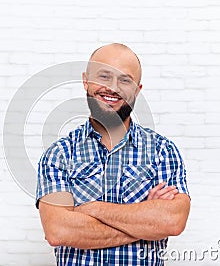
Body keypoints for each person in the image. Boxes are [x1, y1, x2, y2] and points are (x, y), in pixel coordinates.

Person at [36, 43, 190, 265]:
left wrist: (90, 209)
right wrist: (145, 222)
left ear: (137, 90)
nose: (113, 87)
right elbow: (58, 231)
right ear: (85, 81)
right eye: (104, 76)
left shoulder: (162, 152)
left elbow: (172, 221)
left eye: (125, 80)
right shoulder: (59, 155)